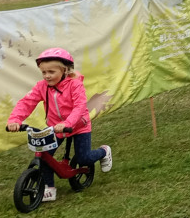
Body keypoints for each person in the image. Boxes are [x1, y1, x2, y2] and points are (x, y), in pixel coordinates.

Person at [6, 48, 112, 202]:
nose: (47, 76)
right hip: (55, 127)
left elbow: (80, 107)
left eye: (51, 72)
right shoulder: (41, 86)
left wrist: (67, 123)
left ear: (64, 70)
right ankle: (49, 188)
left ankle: (103, 152)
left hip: (78, 125)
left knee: (83, 158)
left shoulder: (75, 85)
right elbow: (27, 102)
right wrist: (15, 120)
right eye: (44, 72)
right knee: (45, 155)